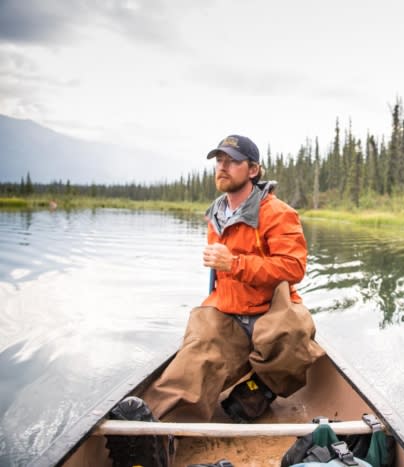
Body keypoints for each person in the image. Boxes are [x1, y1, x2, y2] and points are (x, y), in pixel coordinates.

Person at [107, 134, 323, 466]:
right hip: (230, 309)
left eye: (231, 161)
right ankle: (151, 434)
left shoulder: (279, 213)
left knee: (295, 333)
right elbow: (219, 278)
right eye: (218, 161)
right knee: (196, 356)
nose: (222, 167)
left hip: (272, 310)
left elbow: (293, 267)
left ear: (253, 170)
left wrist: (234, 263)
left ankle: (257, 390)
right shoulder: (216, 214)